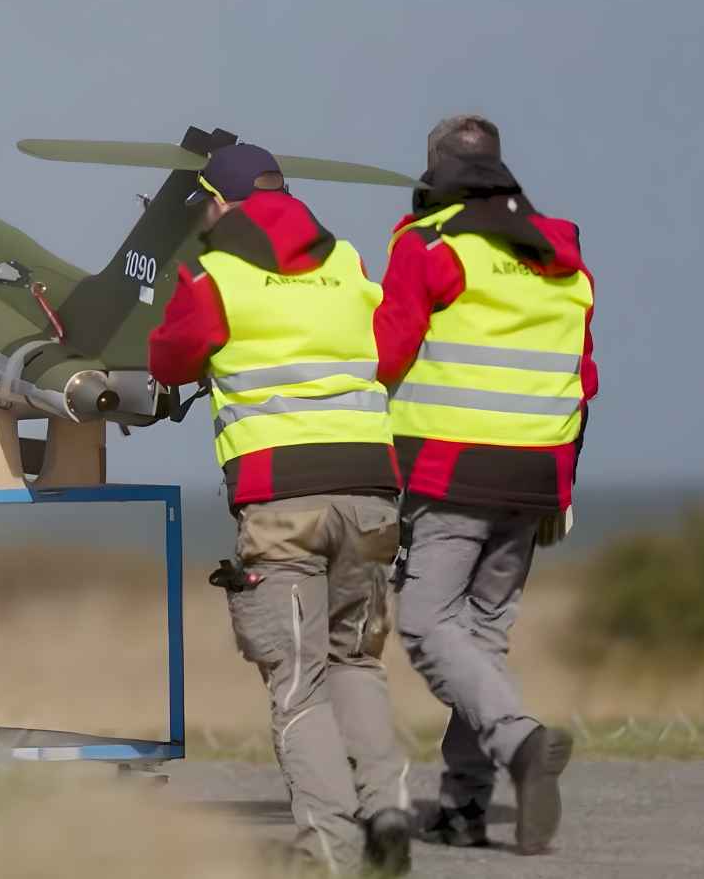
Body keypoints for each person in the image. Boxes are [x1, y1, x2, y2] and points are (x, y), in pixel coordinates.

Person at [150, 143, 412, 876]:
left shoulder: (215, 277)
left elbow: (168, 359)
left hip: (281, 500)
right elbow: (388, 355)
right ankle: (388, 811)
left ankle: (329, 849)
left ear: (219, 204)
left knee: (298, 684)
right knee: (356, 659)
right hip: (371, 491)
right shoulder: (348, 263)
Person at [374, 115, 596, 855]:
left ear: (433, 169)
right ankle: (466, 806)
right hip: (537, 475)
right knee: (481, 636)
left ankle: (521, 741)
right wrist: (563, 486)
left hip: (451, 472)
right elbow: (584, 375)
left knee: (425, 623)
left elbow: (386, 352)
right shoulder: (559, 255)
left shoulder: (429, 244)